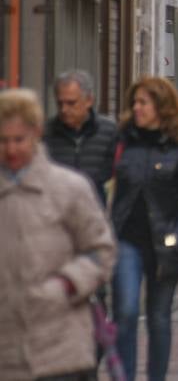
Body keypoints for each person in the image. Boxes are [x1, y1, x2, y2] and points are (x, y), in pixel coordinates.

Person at [0, 88, 116, 381]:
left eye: (19, 140)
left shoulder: (69, 188)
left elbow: (101, 250)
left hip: (60, 348)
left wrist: (66, 284)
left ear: (36, 134)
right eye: (3, 141)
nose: (11, 150)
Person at [110, 77, 178, 381]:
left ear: (160, 108)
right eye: (134, 102)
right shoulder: (122, 143)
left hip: (165, 243)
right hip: (126, 240)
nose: (136, 108)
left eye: (143, 103)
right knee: (124, 311)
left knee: (159, 318)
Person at [43, 68, 119, 203]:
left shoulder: (110, 132)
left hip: (94, 210)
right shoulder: (46, 133)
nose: (64, 110)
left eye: (71, 103)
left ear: (89, 100)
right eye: (60, 103)